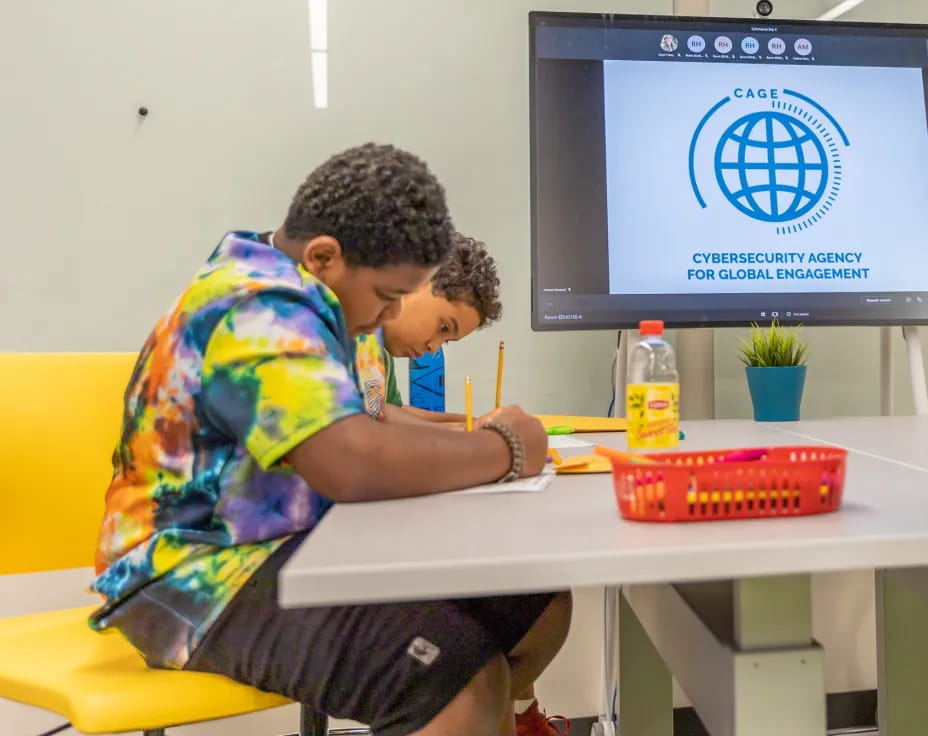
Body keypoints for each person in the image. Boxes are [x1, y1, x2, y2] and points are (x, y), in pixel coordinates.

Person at [89, 142, 571, 736]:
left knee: (536, 606)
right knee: (452, 682)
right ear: (322, 257)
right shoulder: (257, 303)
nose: (385, 317)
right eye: (389, 296)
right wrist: (508, 448)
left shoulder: (309, 300)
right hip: (189, 575)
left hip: (294, 547)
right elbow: (351, 461)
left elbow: (358, 445)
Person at [367, 234, 571, 734]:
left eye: (447, 340)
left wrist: (474, 425)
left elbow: (382, 413)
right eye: (442, 326)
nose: (433, 346)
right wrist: (486, 446)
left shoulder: (371, 349)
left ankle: (515, 715)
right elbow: (365, 434)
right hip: (320, 556)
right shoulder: (325, 327)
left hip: (377, 535)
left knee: (547, 606)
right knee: (473, 670)